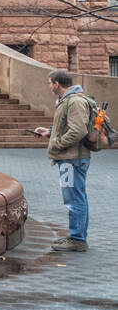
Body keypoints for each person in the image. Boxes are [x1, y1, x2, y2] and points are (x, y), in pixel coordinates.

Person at [33, 69, 91, 252]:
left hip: (72, 159)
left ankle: (78, 239)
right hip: (70, 158)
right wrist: (50, 132)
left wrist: (56, 144)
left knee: (74, 199)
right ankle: (77, 237)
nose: (49, 86)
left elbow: (78, 130)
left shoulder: (74, 101)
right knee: (76, 197)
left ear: (57, 83)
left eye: (50, 82)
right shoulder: (67, 101)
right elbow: (68, 127)